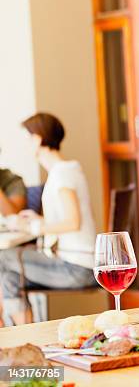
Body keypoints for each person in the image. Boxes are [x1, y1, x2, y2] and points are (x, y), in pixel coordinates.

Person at [0, 113, 97, 326]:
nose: (26, 145)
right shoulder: (64, 170)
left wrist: (34, 226)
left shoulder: (62, 173)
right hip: (76, 263)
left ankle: (22, 338)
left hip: (78, 268)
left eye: (28, 139)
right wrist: (36, 219)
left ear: (38, 139)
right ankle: (25, 342)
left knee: (3, 258)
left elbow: (73, 222)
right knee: (10, 278)